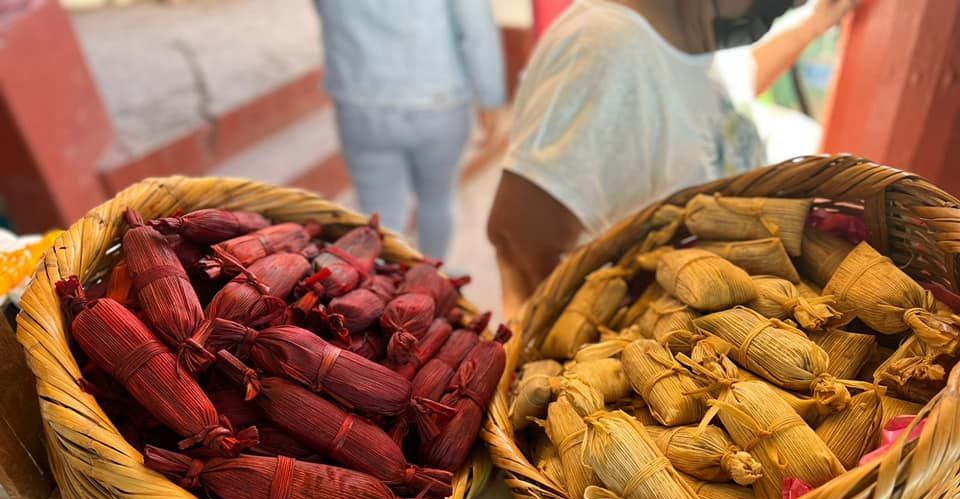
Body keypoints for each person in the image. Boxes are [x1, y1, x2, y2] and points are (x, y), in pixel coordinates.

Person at [487, 0, 860, 317]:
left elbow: (728, 85)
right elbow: (517, 239)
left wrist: (814, 25)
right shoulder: (605, 48)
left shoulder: (698, 42)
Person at [314, 0, 506, 261]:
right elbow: (476, 27)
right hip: (439, 99)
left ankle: (384, 292)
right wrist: (489, 96)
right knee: (436, 201)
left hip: (360, 100)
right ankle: (430, 282)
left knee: (379, 215)